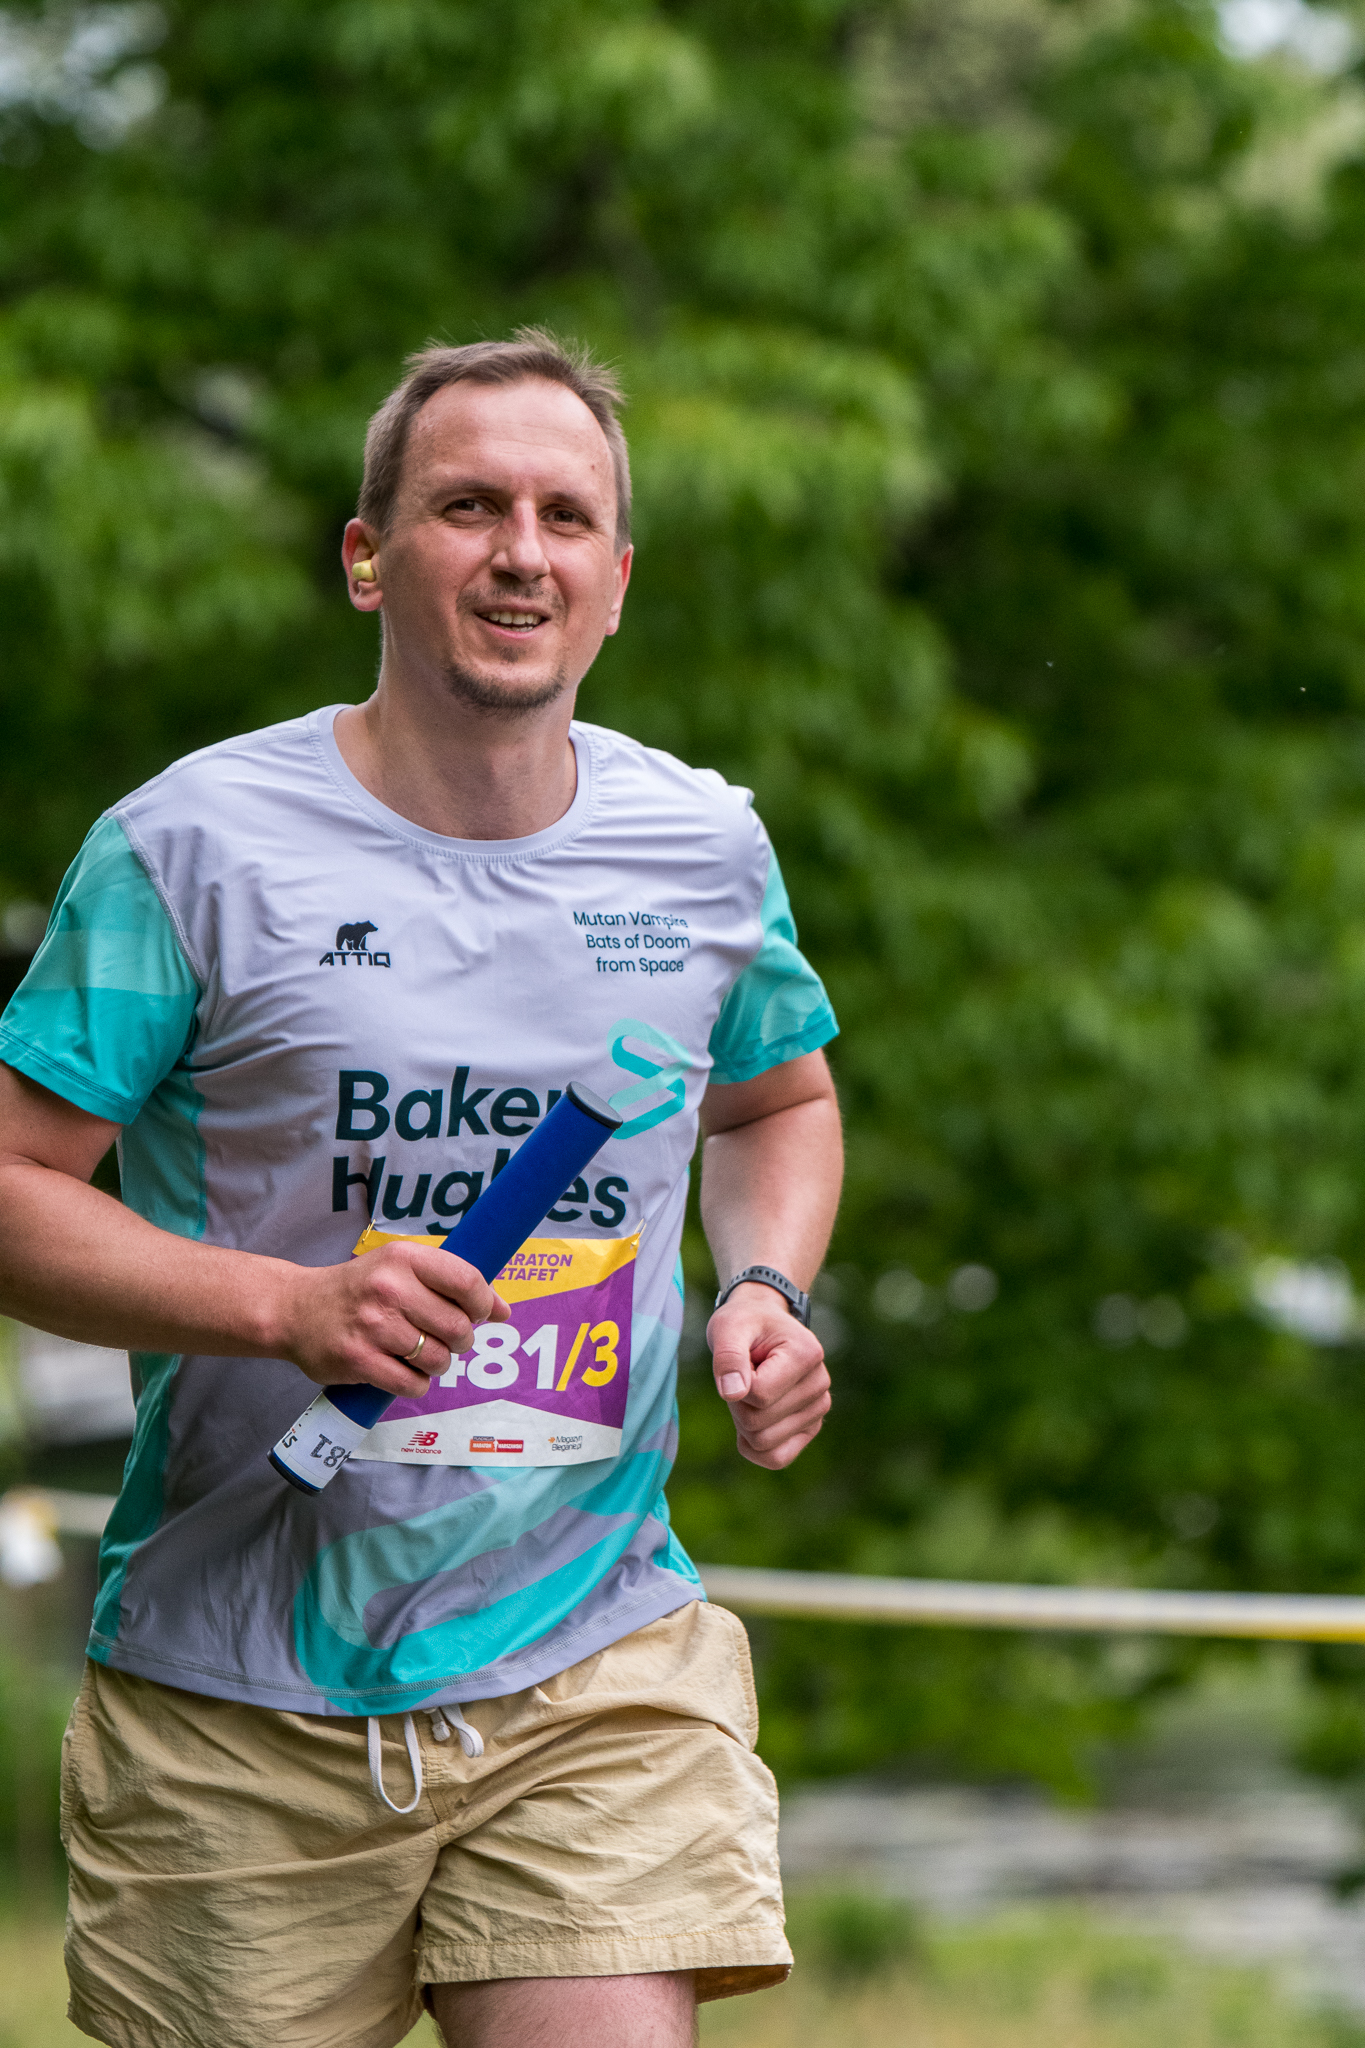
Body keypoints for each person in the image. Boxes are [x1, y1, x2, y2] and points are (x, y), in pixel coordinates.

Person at [0, 329, 843, 2048]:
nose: (520, 552)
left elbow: (776, 1103)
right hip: (239, 1687)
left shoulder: (702, 851)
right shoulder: (188, 849)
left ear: (616, 581)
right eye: (467, 507)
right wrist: (287, 1308)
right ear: (367, 557)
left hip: (590, 1656)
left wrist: (764, 1289)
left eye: (563, 516)